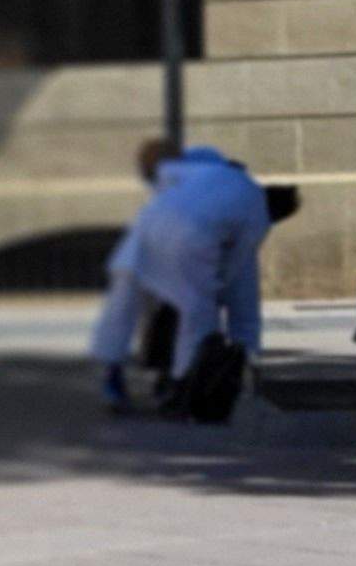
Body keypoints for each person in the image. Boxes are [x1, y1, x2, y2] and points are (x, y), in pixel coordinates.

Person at [89, 137, 272, 415]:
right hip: (189, 235)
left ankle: (111, 375)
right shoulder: (250, 203)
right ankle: (182, 385)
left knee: (124, 303)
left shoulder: (194, 170)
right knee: (197, 312)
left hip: (149, 227)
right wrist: (248, 347)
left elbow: (165, 176)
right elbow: (239, 284)